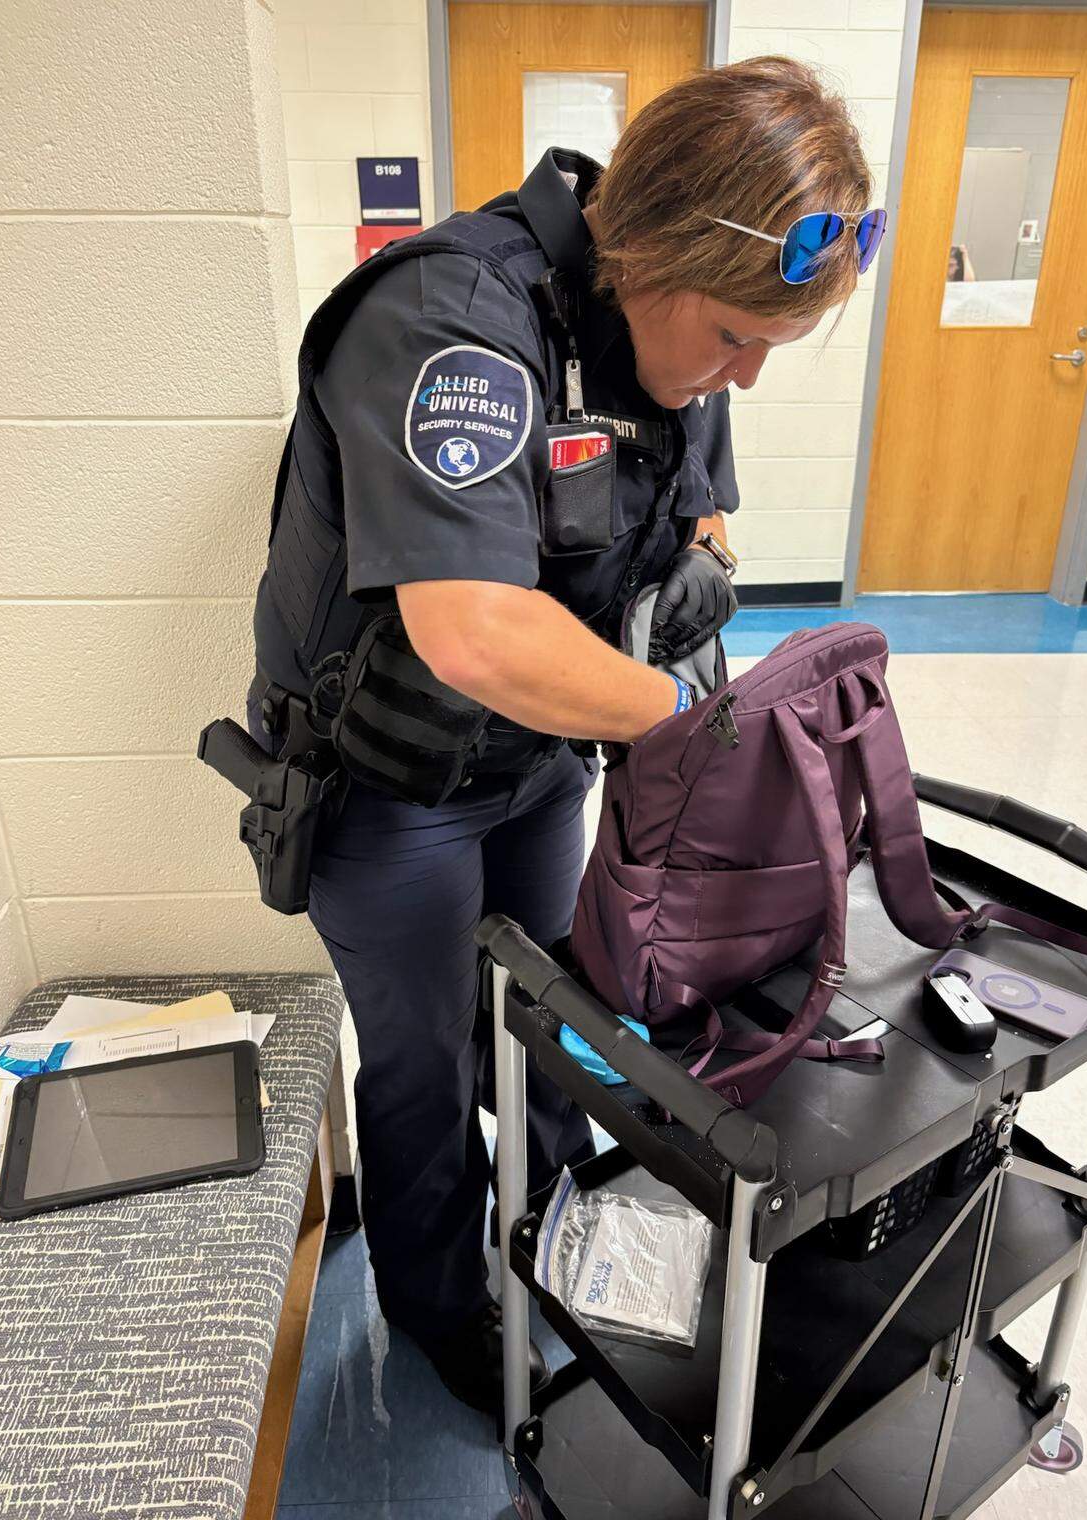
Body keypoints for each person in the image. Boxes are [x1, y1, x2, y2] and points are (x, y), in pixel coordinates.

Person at [248, 56, 879, 1413]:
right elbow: (473, 627)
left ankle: (557, 1240)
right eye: (736, 336)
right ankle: (439, 1307)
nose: (748, 377)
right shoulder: (446, 324)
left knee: (551, 1019)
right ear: (650, 251)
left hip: (529, 764)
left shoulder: (676, 334)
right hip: (385, 786)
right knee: (421, 1061)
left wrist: (706, 557)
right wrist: (697, 722)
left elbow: (696, 500)